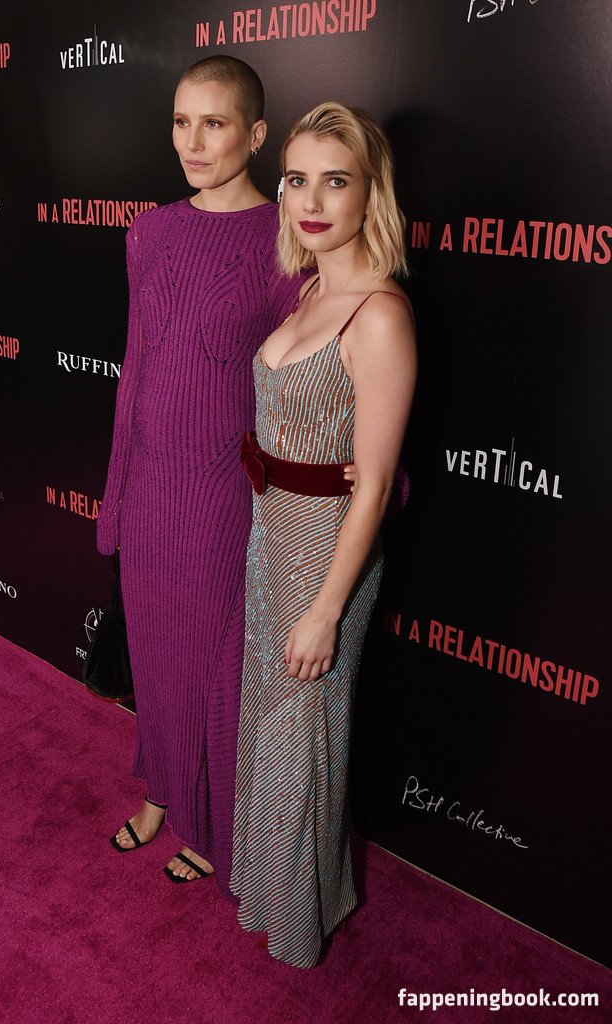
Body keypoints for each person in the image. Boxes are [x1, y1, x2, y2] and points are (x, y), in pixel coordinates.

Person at [97, 56, 315, 889]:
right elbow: (136, 368)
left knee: (216, 668)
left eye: (214, 123)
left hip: (225, 494)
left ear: (255, 135)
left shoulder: (287, 239)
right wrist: (115, 497)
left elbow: (308, 386)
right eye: (181, 122)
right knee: (155, 656)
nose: (193, 142)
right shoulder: (149, 232)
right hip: (150, 486)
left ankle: (207, 819)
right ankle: (160, 790)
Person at [231, 102, 417, 967]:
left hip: (326, 556)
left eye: (334, 181)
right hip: (271, 536)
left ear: (370, 191)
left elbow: (373, 485)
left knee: (306, 737)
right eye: (296, 179)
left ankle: (302, 923)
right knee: (273, 726)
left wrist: (327, 609)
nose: (310, 201)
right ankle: (271, 890)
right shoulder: (311, 289)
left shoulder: (378, 314)